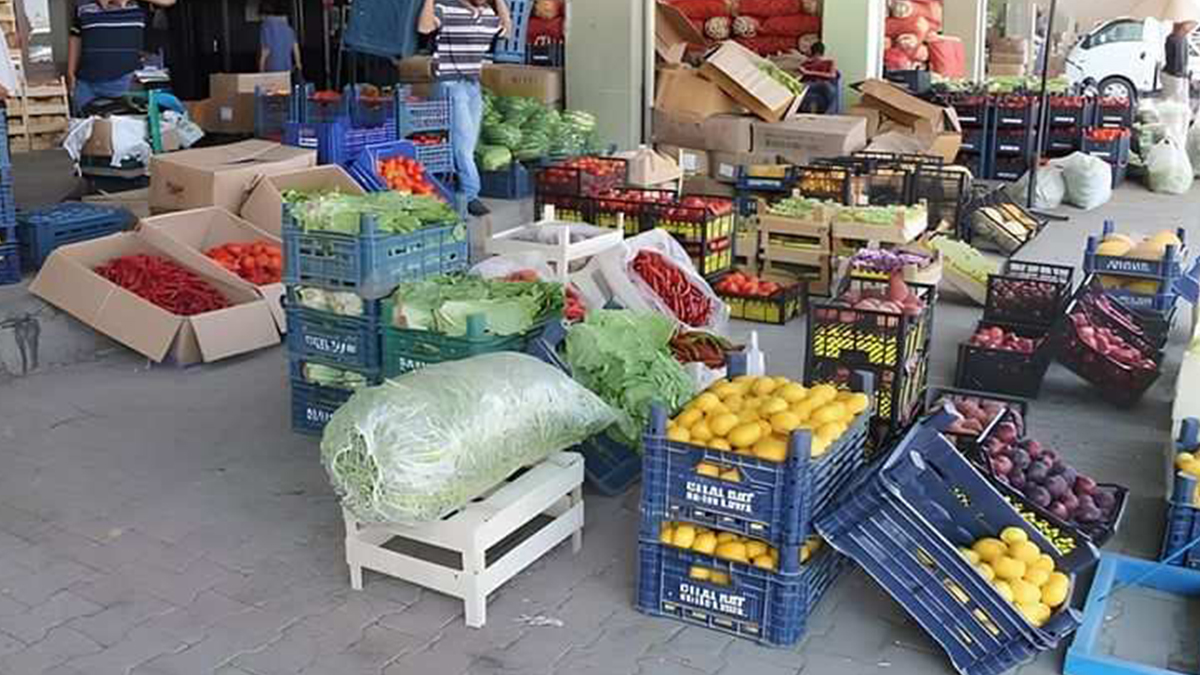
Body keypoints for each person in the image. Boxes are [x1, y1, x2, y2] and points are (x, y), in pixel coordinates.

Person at [419, 0, 512, 218]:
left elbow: (507, 29)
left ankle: (460, 193)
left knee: (468, 144)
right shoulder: (447, 8)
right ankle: (470, 196)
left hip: (472, 85)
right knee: (462, 145)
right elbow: (424, 28)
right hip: (450, 84)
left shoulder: (488, 14)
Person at [68, 0, 179, 115]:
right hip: (86, 84)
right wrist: (70, 71)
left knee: (124, 127)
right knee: (84, 128)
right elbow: (75, 36)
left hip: (123, 82)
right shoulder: (82, 5)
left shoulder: (140, 4)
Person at [259, 0, 302, 78]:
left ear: (263, 14)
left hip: (272, 69)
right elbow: (295, 47)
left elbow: (266, 51)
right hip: (287, 68)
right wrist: (298, 65)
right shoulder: (288, 27)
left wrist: (261, 69)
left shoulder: (266, 26)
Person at [1163, 20, 1196, 108]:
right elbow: (1178, 62)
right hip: (1175, 76)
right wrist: (1182, 76)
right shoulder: (1176, 39)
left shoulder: (1179, 38)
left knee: (1178, 102)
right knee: (1177, 102)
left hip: (1175, 75)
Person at [798, 42, 838, 114]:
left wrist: (809, 72)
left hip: (822, 84)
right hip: (809, 85)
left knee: (828, 87)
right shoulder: (806, 63)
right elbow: (800, 78)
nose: (817, 58)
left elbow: (832, 75)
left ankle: (827, 114)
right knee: (802, 88)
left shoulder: (830, 62)